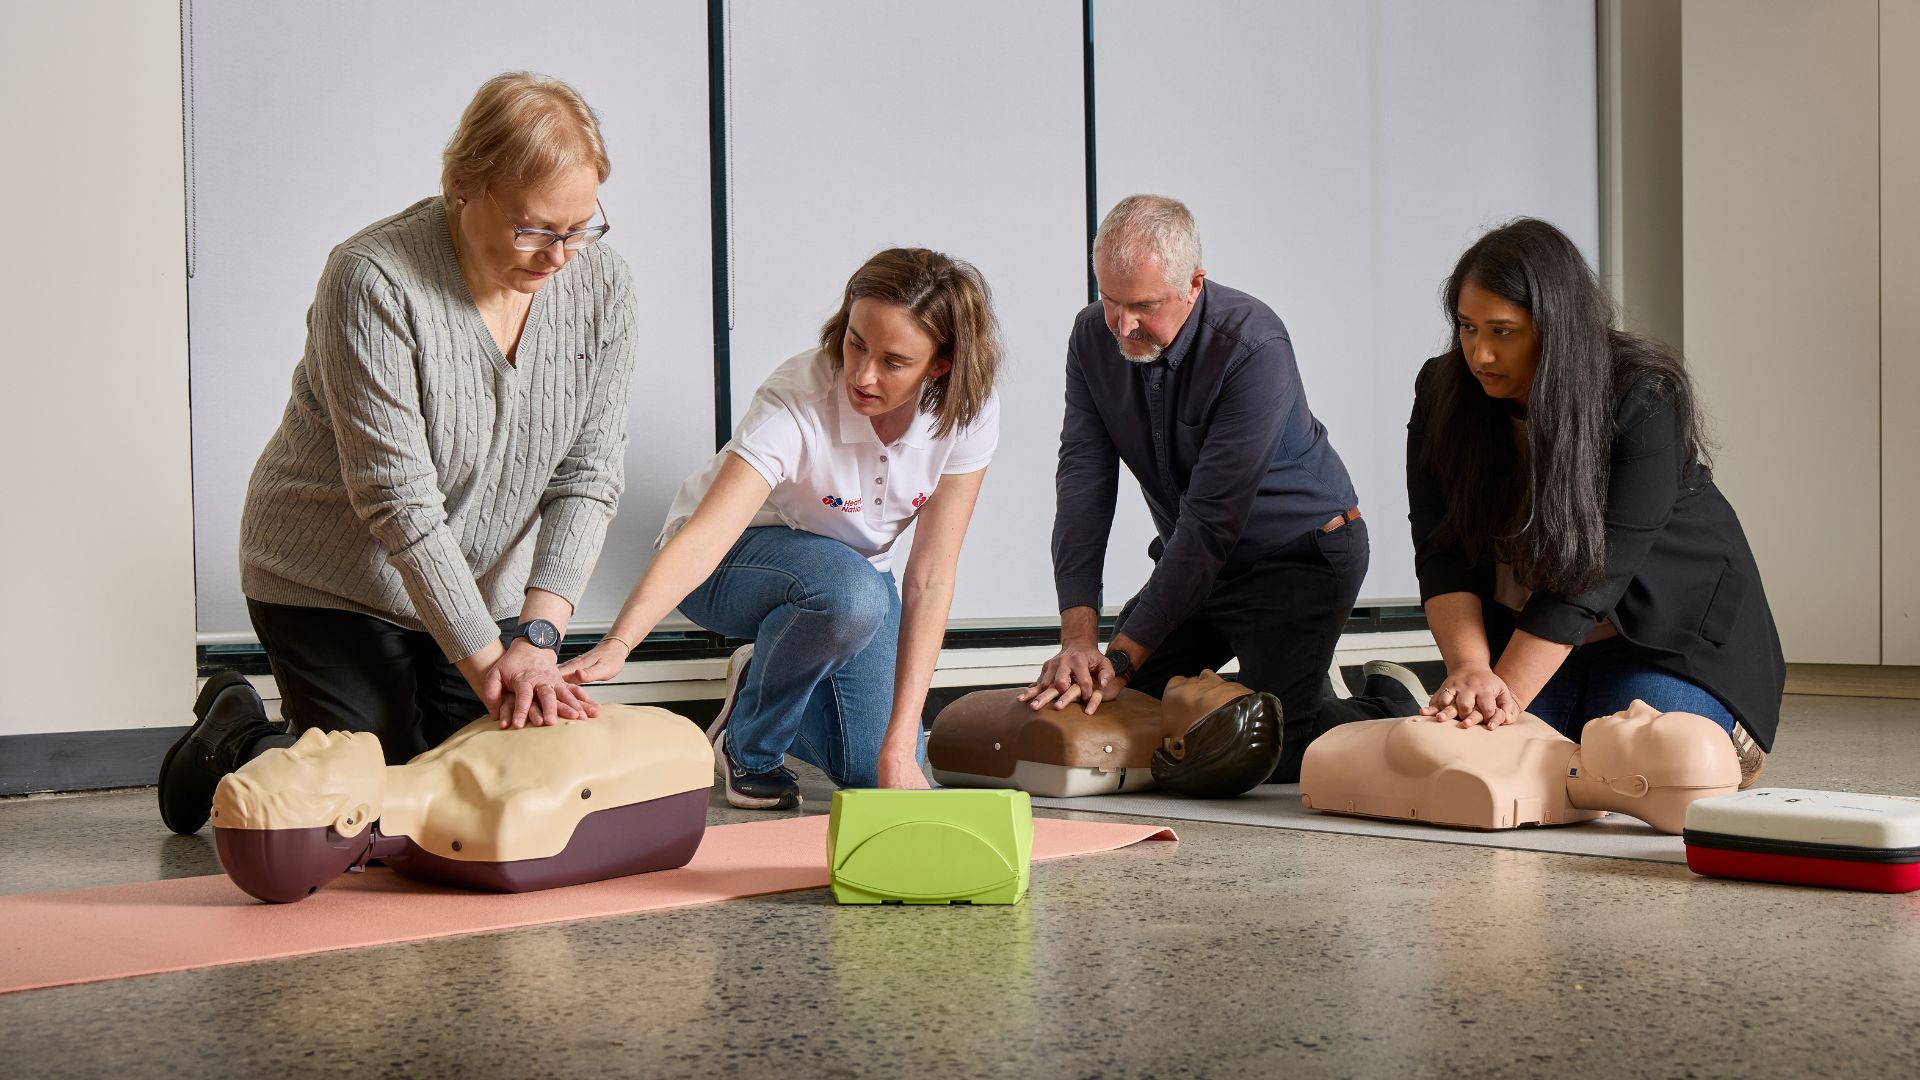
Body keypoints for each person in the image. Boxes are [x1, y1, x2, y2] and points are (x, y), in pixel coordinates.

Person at [159, 72, 636, 835]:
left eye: (580, 228)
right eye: (535, 230)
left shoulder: (603, 287)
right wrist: (490, 669)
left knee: (475, 796)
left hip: (476, 592)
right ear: (459, 186)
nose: (559, 257)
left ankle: (298, 731)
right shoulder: (373, 278)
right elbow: (401, 504)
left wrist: (537, 640)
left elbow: (588, 475)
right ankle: (240, 731)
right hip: (331, 581)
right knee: (375, 808)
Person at [561, 248, 1002, 810]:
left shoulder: (967, 410)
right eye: (856, 344)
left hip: (852, 583)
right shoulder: (798, 396)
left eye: (894, 362)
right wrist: (618, 643)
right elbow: (707, 535)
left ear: (939, 365)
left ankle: (763, 682)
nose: (863, 375)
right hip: (725, 567)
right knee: (849, 591)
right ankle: (753, 745)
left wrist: (900, 742)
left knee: (877, 771)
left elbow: (931, 575)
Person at [1023, 193, 1420, 783]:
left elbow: (1212, 520)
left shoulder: (1254, 345)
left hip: (1299, 557)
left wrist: (1121, 659)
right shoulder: (1091, 338)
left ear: (1195, 284)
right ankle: (1296, 687)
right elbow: (1083, 480)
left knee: (1270, 753)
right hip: (1193, 565)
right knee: (1134, 713)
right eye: (1109, 300)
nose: (1122, 324)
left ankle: (1389, 701)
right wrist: (1080, 641)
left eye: (1143, 306)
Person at [1406, 217, 1783, 786]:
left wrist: (1502, 707)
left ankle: (1731, 738)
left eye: (1503, 331)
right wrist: (1470, 670)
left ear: (1556, 327)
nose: (1479, 354)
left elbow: (1592, 579)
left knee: (1632, 772)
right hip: (1534, 639)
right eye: (1466, 327)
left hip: (1662, 640)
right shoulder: (1442, 393)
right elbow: (1442, 549)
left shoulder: (1642, 396)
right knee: (1477, 768)